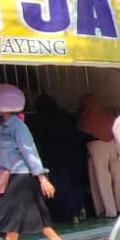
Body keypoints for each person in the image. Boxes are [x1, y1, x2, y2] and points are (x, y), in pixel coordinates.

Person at [0, 84, 66, 240]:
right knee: (33, 210)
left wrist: (42, 178)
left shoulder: (18, 127)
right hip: (4, 175)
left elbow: (29, 152)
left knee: (12, 214)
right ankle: (55, 239)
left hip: (20, 175)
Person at [28, 94, 90, 224]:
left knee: (63, 187)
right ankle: (82, 209)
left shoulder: (38, 120)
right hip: (73, 155)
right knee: (75, 184)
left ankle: (72, 214)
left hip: (54, 158)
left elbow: (38, 140)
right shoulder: (65, 116)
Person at [78, 93, 120, 217]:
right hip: (113, 145)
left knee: (102, 180)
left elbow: (81, 133)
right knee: (118, 179)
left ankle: (109, 211)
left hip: (97, 147)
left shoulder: (86, 118)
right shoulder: (107, 115)